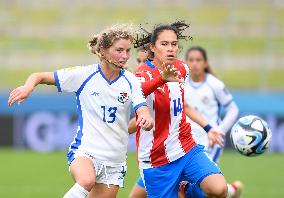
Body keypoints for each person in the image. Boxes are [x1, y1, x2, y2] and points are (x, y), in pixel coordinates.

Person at [8, 24, 153, 198]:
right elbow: (39, 75)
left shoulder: (131, 81)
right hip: (86, 151)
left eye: (128, 50)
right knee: (86, 181)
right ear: (103, 51)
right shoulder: (84, 75)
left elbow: (141, 108)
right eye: (119, 50)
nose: (125, 56)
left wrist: (145, 118)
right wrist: (28, 87)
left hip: (114, 161)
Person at [131, 21, 228, 198]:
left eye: (174, 44)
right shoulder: (141, 73)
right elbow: (137, 91)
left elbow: (183, 105)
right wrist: (162, 79)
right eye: (164, 44)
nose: (170, 49)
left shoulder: (182, 68)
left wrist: (209, 128)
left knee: (220, 189)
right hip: (156, 159)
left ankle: (185, 189)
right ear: (152, 47)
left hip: (186, 148)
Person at [184, 46, 242, 198]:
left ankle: (227, 191)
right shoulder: (181, 84)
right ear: (186, 62)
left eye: (198, 60)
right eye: (191, 60)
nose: (195, 64)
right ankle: (232, 191)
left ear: (205, 63)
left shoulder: (214, 84)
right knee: (191, 185)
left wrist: (219, 130)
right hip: (187, 140)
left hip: (210, 141)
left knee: (204, 183)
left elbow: (233, 110)